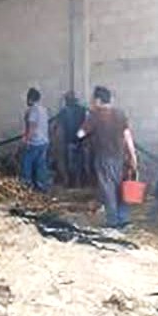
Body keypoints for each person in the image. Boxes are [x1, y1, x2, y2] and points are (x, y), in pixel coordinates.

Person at [77, 86, 138, 229]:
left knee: (108, 189)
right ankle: (124, 218)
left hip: (104, 157)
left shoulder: (95, 115)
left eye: (93, 99)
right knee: (121, 188)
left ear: (98, 100)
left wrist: (86, 125)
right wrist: (133, 155)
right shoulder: (120, 114)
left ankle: (113, 221)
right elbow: (127, 135)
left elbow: (80, 134)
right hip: (120, 157)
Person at [21, 87, 50, 192]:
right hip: (44, 142)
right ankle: (42, 187)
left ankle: (26, 186)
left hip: (34, 143)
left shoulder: (33, 110)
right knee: (41, 165)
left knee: (27, 164)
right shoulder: (44, 109)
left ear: (30, 99)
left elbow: (32, 127)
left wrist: (26, 140)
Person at [58, 91, 87, 187]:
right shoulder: (83, 110)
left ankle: (71, 183)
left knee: (70, 164)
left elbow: (60, 128)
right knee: (80, 163)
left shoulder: (64, 112)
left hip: (69, 141)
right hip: (80, 141)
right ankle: (78, 183)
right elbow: (86, 126)